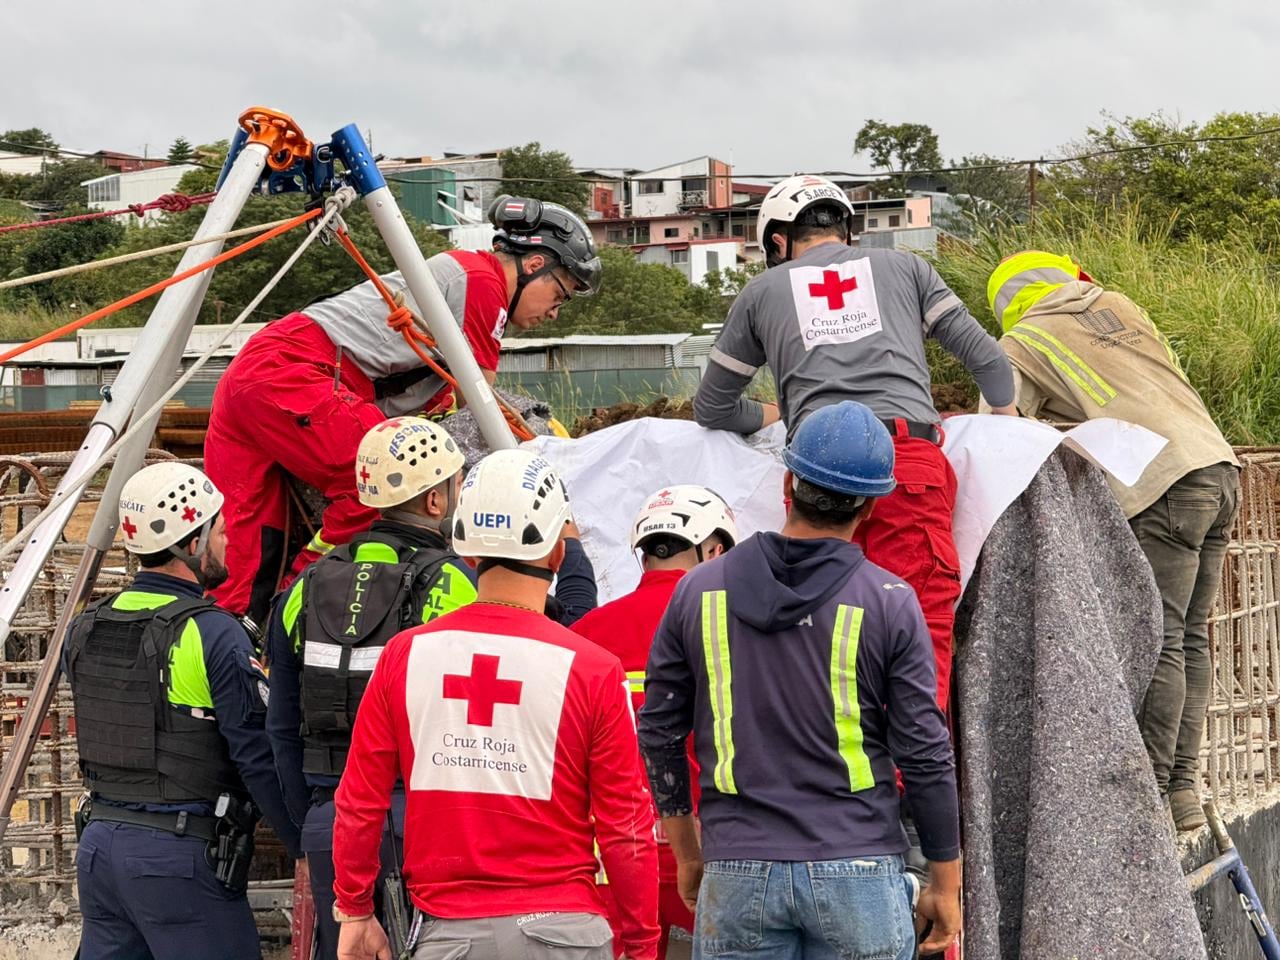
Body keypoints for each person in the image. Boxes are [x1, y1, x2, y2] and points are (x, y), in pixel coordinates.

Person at [638, 401, 962, 960]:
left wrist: (688, 854)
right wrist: (944, 882)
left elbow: (660, 730)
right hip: (858, 868)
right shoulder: (887, 601)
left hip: (736, 872)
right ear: (872, 503)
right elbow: (926, 752)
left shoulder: (698, 592)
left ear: (788, 481)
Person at [266, 417, 600, 959]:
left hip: (331, 827)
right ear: (438, 503)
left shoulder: (305, 587)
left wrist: (310, 826)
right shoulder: (454, 583)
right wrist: (572, 553)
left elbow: (279, 728)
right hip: (424, 831)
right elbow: (563, 646)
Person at [205, 195, 601, 635]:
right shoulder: (484, 282)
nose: (553, 311)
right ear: (534, 264)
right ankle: (296, 603)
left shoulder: (460, 277)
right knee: (384, 482)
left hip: (256, 370)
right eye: (559, 293)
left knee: (245, 540)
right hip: (299, 372)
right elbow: (481, 404)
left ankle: (234, 636)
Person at [692, 174, 1016, 712]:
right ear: (848, 227)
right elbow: (988, 362)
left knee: (818, 636)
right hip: (906, 463)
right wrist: (1006, 420)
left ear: (778, 241)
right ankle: (914, 789)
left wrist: (771, 412)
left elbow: (712, 408)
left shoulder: (762, 293)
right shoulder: (907, 268)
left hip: (817, 473)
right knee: (915, 633)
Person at [330, 449, 659, 960]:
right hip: (566, 933)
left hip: (448, 936)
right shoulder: (593, 669)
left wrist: (354, 909)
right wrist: (641, 942)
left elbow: (359, 800)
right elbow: (626, 826)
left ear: (467, 554)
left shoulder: (404, 656)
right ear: (556, 557)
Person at [985, 250, 1240, 831]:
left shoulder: (1020, 343)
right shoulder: (1119, 305)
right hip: (1218, 466)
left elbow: (998, 431)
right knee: (1190, 638)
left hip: (1162, 484)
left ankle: (1147, 799)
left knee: (1160, 639)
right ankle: (1181, 792)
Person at [63, 462, 302, 960]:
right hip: (176, 860)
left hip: (99, 852)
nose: (227, 541)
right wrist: (302, 845)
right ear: (190, 545)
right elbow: (257, 757)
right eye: (218, 529)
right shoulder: (212, 633)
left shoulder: (85, 627)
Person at [572, 485, 738, 958]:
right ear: (716, 550)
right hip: (713, 855)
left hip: (610, 864)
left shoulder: (583, 634)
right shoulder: (739, 628)